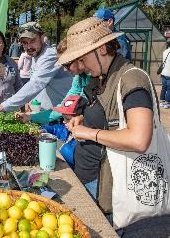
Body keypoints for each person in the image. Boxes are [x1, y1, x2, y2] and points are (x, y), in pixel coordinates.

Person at [58, 16, 170, 236]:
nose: (79, 66)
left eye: (82, 58)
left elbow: (139, 139)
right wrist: (83, 120)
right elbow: (108, 118)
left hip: (118, 191)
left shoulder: (131, 79)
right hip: (94, 180)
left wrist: (89, 132)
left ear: (101, 49)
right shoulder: (100, 79)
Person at [0, 22, 73, 112]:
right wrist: (31, 102)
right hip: (45, 113)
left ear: (42, 38)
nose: (29, 46)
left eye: (32, 41)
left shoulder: (50, 55)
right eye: (25, 43)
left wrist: (5, 105)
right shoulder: (36, 54)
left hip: (60, 114)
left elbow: (36, 83)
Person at [159, 40, 170, 109]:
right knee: (169, 88)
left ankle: (162, 101)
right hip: (169, 73)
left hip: (163, 72)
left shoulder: (165, 52)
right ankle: (167, 102)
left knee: (164, 87)